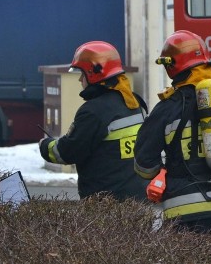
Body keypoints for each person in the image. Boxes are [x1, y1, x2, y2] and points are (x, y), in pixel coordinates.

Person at [133, 30, 211, 248]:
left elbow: (144, 166)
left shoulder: (166, 108)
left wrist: (165, 169)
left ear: (171, 67)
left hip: (184, 213)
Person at [38, 41, 149, 201]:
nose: (80, 80)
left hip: (106, 204)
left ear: (93, 73)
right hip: (139, 201)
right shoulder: (134, 101)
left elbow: (67, 152)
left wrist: (45, 145)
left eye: (82, 74)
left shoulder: (92, 111)